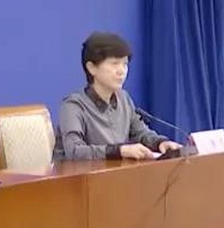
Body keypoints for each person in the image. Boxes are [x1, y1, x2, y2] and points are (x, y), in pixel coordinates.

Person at [53, 32, 182, 161]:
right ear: (92, 68)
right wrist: (119, 151)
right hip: (78, 174)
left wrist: (160, 143)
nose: (121, 71)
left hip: (117, 173)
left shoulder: (124, 99)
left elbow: (140, 133)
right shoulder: (73, 106)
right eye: (114, 63)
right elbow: (75, 152)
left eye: (125, 64)